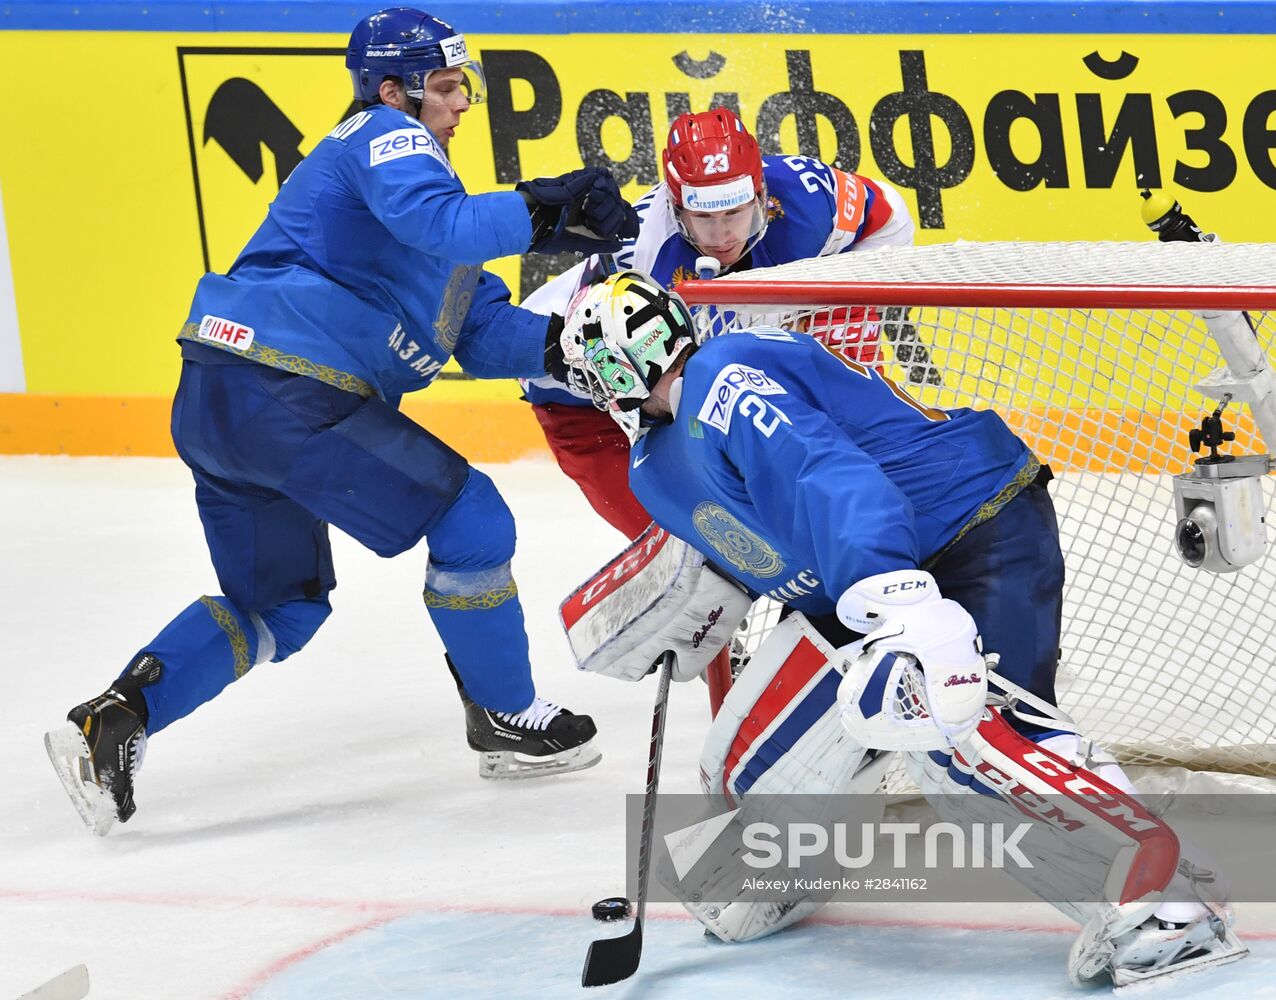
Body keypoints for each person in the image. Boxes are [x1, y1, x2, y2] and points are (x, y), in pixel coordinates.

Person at [556, 270, 1248, 988]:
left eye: (589, 372)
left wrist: (902, 603)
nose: (590, 390)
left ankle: (1167, 901)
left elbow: (832, 476)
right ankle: (778, 876)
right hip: (858, 585)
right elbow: (745, 534)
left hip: (966, 527)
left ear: (614, 368)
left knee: (960, 731)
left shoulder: (726, 375)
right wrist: (687, 609)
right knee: (744, 765)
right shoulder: (655, 461)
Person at [43, 7, 639, 836]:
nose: (461, 103)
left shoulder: (417, 194)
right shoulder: (383, 136)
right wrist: (544, 208)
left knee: (280, 608)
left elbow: (475, 327)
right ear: (391, 91)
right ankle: (506, 716)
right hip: (289, 391)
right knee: (471, 517)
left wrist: (578, 348)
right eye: (444, 86)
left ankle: (117, 716)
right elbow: (445, 225)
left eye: (463, 86)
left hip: (221, 395)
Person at [521, 108, 917, 541]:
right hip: (588, 410)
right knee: (704, 550)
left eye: (735, 213)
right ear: (675, 207)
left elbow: (891, 222)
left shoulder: (807, 194)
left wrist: (825, 315)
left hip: (676, 365)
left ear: (760, 193)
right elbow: (664, 401)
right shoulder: (645, 260)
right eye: (704, 218)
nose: (722, 235)